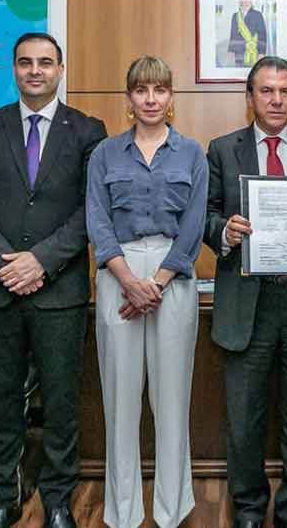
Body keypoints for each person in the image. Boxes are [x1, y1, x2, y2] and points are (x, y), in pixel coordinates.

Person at [0, 32, 107, 528]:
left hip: (59, 291)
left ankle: (58, 496)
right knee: (1, 399)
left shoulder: (87, 130)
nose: (34, 70)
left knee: (61, 401)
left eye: (45, 62)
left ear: (60, 69)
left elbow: (93, 209)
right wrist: (9, 264)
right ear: (13, 70)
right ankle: (4, 495)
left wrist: (40, 261)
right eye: (25, 63)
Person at [204, 56, 287, 528]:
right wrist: (226, 231)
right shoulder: (222, 150)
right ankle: (246, 509)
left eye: (285, 91)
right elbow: (205, 216)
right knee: (244, 418)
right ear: (250, 98)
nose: (277, 99)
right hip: (248, 302)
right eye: (266, 91)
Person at [85, 56, 207, 528]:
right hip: (118, 274)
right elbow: (97, 219)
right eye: (141, 90)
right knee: (120, 399)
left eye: (159, 90)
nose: (150, 99)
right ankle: (122, 512)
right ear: (129, 98)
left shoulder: (192, 153)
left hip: (171, 278)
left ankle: (172, 510)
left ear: (171, 97)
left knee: (172, 399)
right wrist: (128, 280)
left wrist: (155, 283)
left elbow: (194, 226)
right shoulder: (105, 154)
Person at [227, 0, 268, 67]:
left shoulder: (258, 14)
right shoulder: (235, 16)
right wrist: (230, 50)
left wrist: (261, 52)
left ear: (251, 1)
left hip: (254, 51)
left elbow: (262, 35)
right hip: (239, 52)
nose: (245, 1)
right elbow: (233, 34)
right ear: (239, 1)